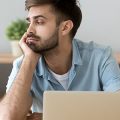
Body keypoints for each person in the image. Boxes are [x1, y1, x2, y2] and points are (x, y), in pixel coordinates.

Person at [0, 0, 120, 119]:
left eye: (39, 22)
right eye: (29, 22)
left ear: (65, 27)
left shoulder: (101, 57)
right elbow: (8, 117)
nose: (29, 30)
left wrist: (52, 117)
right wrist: (29, 59)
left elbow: (117, 111)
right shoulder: (23, 64)